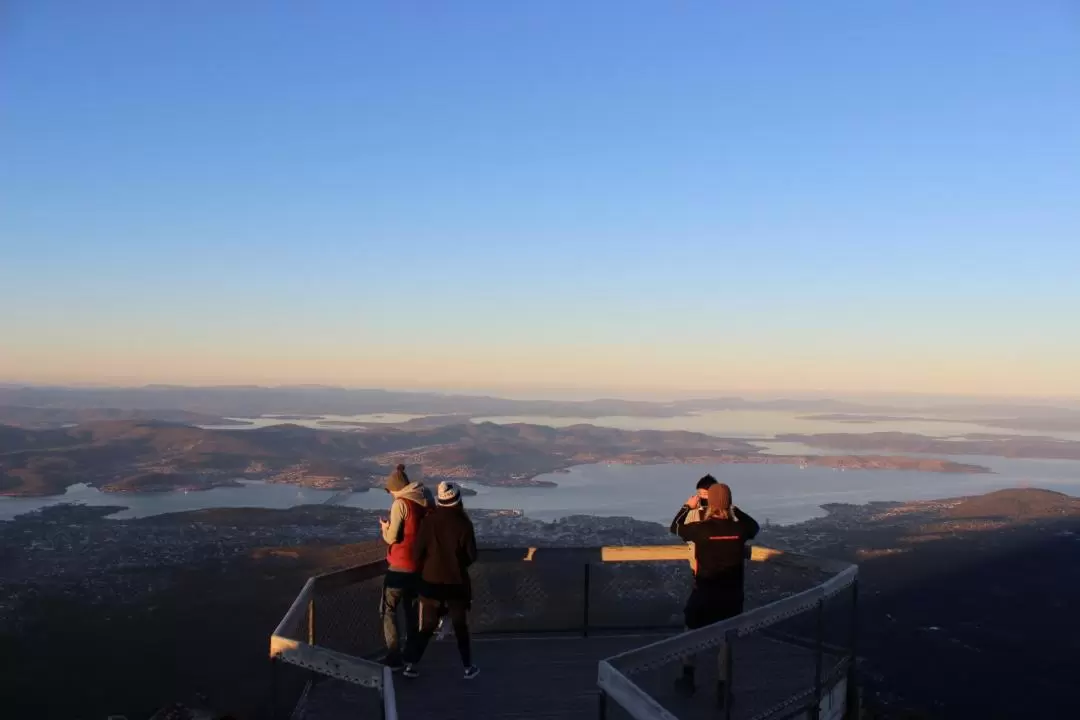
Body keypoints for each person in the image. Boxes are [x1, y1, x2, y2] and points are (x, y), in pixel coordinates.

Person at [672, 482, 760, 701]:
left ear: (709, 502)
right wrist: (734, 509)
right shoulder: (740, 530)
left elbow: (676, 527)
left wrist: (687, 506)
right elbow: (754, 526)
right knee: (725, 641)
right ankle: (723, 689)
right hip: (731, 596)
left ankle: (688, 679)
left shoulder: (701, 530)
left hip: (704, 593)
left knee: (690, 632)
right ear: (728, 502)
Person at [402, 481, 480, 680]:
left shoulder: (429, 522)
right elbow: (471, 556)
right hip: (456, 583)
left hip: (430, 583)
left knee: (427, 626)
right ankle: (467, 667)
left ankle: (411, 664)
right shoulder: (463, 523)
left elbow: (417, 553)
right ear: (458, 499)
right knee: (460, 626)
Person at [379, 464, 432, 671]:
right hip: (419, 567)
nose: (391, 495)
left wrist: (385, 529)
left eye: (391, 491)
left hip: (399, 567)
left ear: (395, 488)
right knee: (411, 611)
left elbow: (393, 537)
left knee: (389, 610)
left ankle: (394, 656)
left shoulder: (401, 504)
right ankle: (411, 654)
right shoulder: (425, 498)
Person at [669, 474, 719, 575]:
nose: (700, 497)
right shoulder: (694, 514)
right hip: (716, 571)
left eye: (705, 494)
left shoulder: (697, 521)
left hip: (704, 572)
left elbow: (676, 527)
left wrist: (686, 507)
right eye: (699, 494)